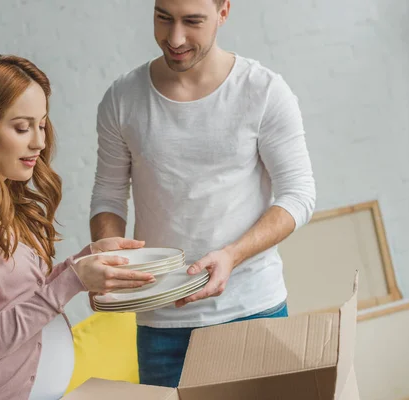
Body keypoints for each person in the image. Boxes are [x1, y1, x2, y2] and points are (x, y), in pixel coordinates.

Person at [0, 54, 155, 400]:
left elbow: (24, 299)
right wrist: (74, 279)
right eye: (22, 128)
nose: (39, 142)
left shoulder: (7, 199)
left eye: (42, 125)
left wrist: (86, 259)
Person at [89, 0, 316, 388]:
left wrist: (232, 254)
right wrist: (107, 255)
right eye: (163, 18)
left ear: (223, 11)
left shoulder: (263, 91)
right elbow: (108, 196)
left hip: (252, 311)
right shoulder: (122, 98)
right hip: (161, 323)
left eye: (192, 21)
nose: (174, 38)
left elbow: (298, 195)